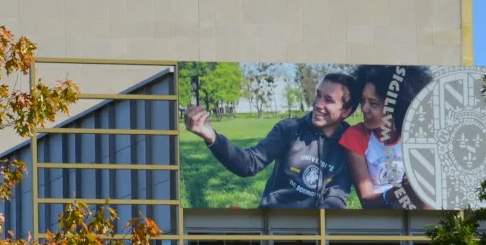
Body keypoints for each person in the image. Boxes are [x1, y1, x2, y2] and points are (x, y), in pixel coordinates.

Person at [184, 72, 360, 208]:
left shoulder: (349, 143)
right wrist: (211, 136)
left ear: (345, 111)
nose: (317, 104)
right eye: (318, 95)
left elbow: (337, 195)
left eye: (328, 100)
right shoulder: (290, 129)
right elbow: (248, 164)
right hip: (274, 223)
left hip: (315, 230)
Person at [340, 64, 434, 210]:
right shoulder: (355, 136)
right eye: (363, 101)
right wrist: (398, 191)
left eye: (373, 103)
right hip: (381, 214)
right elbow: (367, 201)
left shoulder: (416, 135)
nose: (364, 109)